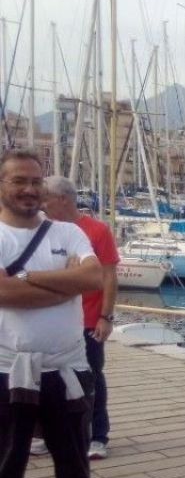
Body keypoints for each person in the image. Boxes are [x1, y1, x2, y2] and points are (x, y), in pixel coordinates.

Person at [0, 148, 115, 478]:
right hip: (9, 367)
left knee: (73, 462)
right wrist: (55, 283)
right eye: (18, 181)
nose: (29, 190)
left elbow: (92, 281)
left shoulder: (67, 231)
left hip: (68, 366)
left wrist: (23, 281)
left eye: (35, 181)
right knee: (7, 465)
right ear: (3, 185)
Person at [40, 176, 120, 460]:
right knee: (51, 376)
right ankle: (52, 432)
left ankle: (98, 435)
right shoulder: (46, 231)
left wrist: (106, 316)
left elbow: (109, 275)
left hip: (88, 318)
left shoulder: (96, 231)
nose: (41, 203)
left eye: (45, 197)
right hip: (55, 317)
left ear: (62, 199)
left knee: (91, 377)